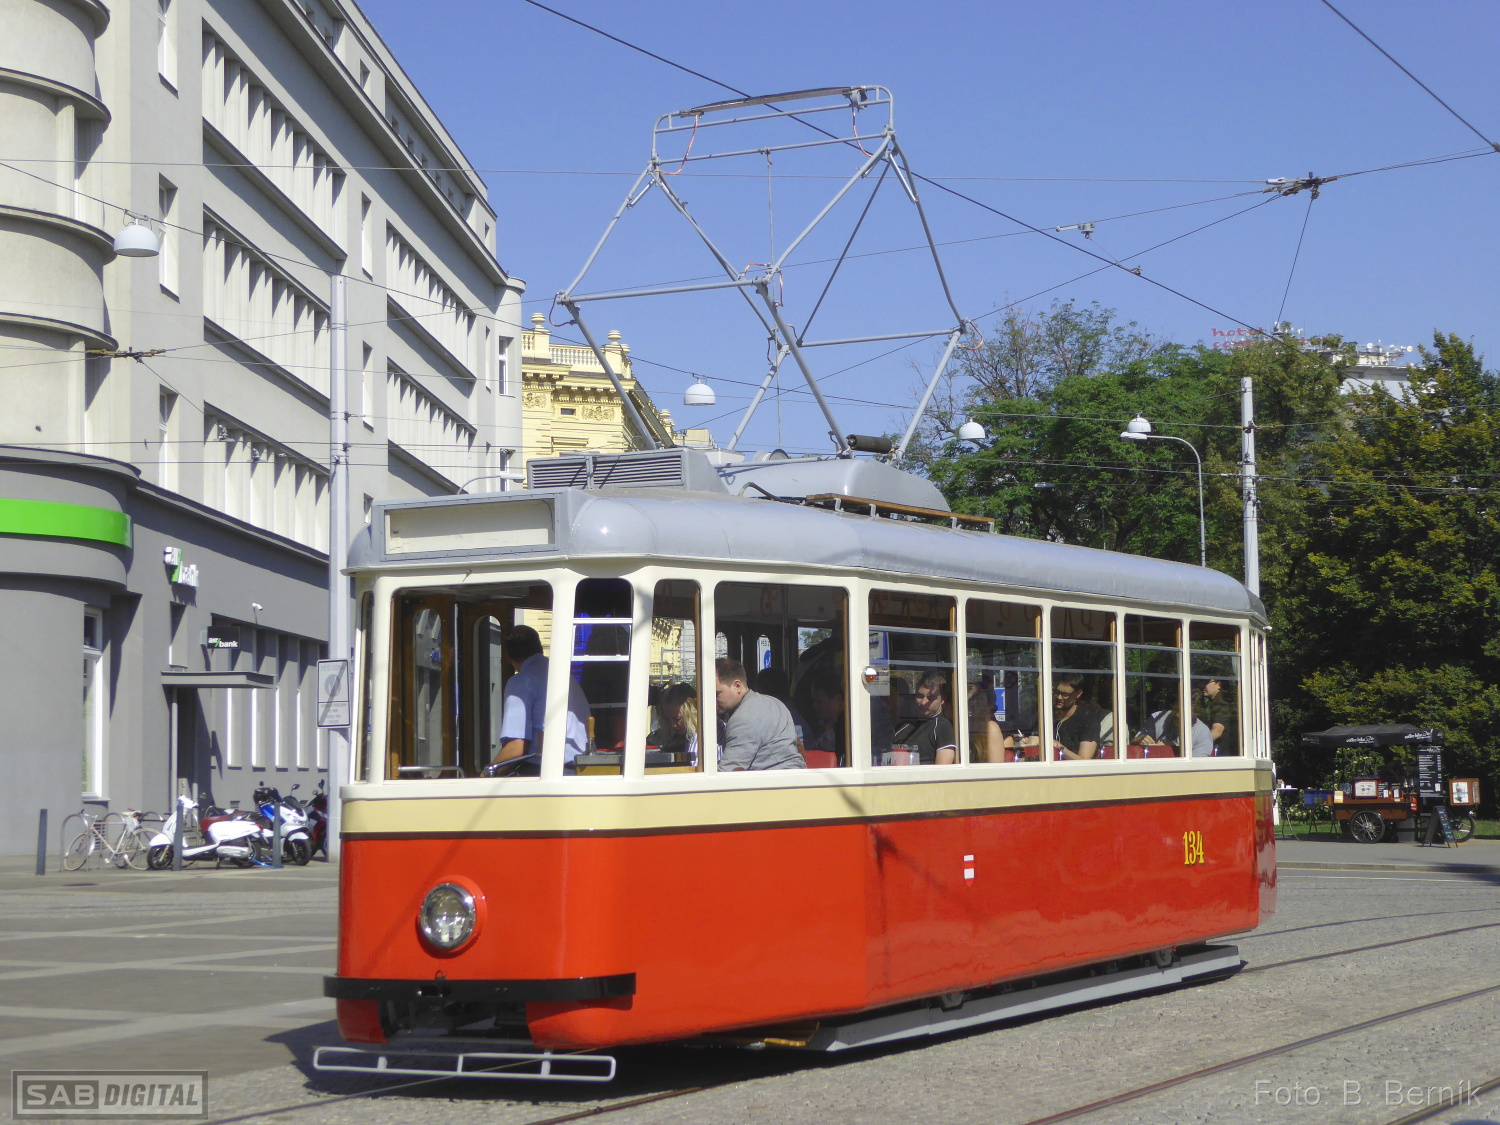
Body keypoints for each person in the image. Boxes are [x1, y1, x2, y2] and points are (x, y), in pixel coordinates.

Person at [490, 625, 589, 773]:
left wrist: (484, 775)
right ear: (540, 649)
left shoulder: (521, 681)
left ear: (507, 657)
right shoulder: (565, 676)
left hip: (546, 772)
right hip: (581, 770)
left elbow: (516, 748)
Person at [714, 658, 806, 771]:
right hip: (795, 775)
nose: (712, 699)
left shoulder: (744, 717)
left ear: (737, 686)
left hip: (772, 780)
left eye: (717, 694)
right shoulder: (774, 702)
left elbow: (729, 771)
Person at [892, 673, 958, 765]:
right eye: (920, 696)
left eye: (931, 698)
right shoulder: (903, 727)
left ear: (943, 700)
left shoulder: (942, 727)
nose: (923, 702)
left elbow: (942, 770)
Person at [1052, 676, 1105, 760]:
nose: (1059, 697)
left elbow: (1084, 761)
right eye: (1056, 692)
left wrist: (1057, 746)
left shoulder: (1087, 719)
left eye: (1065, 694)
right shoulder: (1046, 716)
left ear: (1078, 694)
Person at [648, 682, 700, 766]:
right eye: (667, 719)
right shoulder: (659, 738)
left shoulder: (703, 739)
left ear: (692, 715)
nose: (673, 725)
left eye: (677, 719)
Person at [1195, 678, 1239, 756]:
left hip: (1222, 754)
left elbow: (1217, 731)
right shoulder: (1212, 703)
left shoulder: (1221, 704)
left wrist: (1196, 743)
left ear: (1219, 684)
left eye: (1207, 682)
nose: (1203, 685)